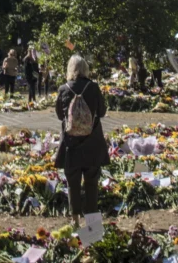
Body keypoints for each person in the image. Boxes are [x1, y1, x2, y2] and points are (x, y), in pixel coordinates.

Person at [55, 55, 109, 228]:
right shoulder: (93, 87)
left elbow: (59, 115)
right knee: (92, 183)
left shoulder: (63, 89)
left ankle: (75, 221)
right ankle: (92, 226)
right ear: (86, 69)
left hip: (71, 145)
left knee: (73, 183)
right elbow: (101, 112)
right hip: (92, 143)